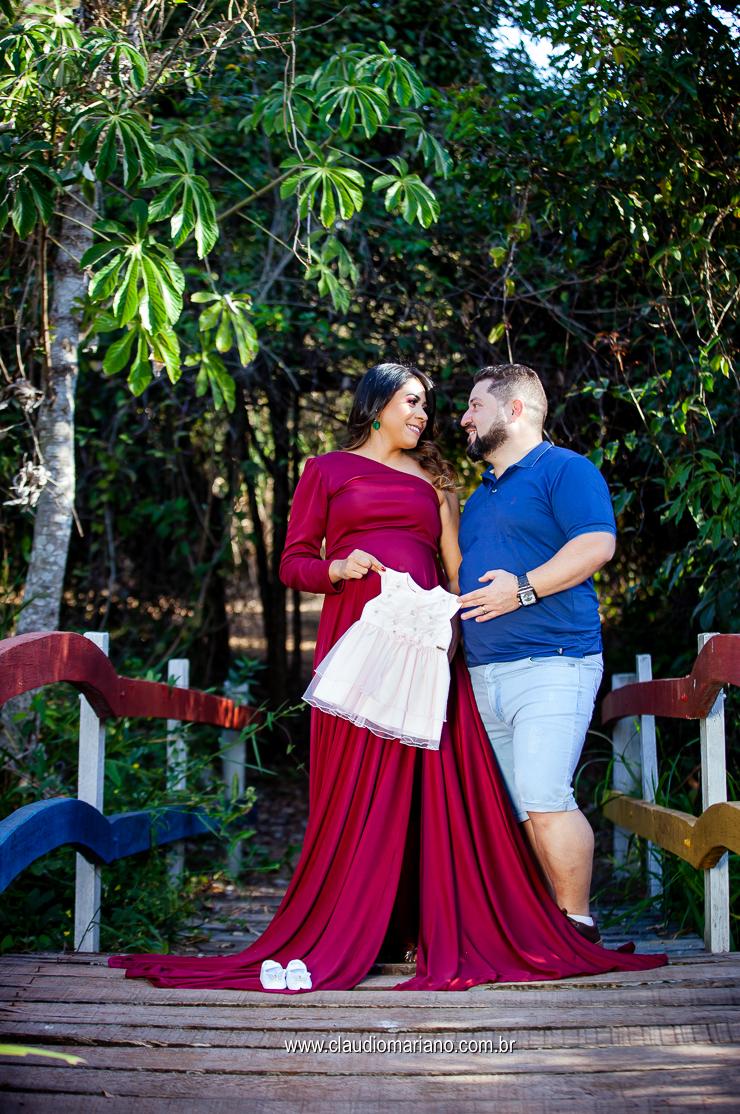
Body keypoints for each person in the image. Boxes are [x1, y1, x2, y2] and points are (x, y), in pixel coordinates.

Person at [110, 362, 666, 991]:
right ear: (375, 406)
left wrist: (459, 630)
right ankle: (363, 926)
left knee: (443, 790)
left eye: (428, 404)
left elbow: (456, 570)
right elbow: (294, 562)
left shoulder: (441, 481)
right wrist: (336, 569)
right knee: (360, 788)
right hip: (356, 646)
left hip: (429, 651)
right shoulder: (326, 471)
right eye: (411, 402)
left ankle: (437, 927)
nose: (425, 415)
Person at [457, 362, 615, 944]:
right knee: (520, 808)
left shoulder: (565, 469)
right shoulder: (479, 496)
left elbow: (596, 544)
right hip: (483, 675)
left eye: (475, 405)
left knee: (546, 796)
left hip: (553, 662)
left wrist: (521, 589)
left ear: (515, 409)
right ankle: (546, 924)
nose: (464, 418)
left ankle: (578, 928)